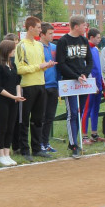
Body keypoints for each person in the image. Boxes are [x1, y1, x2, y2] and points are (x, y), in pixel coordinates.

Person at [14, 16, 56, 161]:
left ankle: (37, 148)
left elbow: (41, 64)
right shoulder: (21, 45)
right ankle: (25, 150)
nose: (40, 30)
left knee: (38, 119)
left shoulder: (39, 45)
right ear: (30, 28)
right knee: (24, 120)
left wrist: (46, 65)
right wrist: (39, 66)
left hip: (41, 85)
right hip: (27, 86)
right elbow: (20, 69)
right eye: (38, 27)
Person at [55, 15, 93, 159]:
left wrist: (84, 74)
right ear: (76, 26)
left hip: (82, 82)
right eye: (84, 25)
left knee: (80, 111)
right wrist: (75, 76)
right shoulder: (63, 41)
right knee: (72, 113)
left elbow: (89, 60)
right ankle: (73, 144)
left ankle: (74, 142)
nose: (86, 28)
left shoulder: (84, 40)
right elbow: (61, 63)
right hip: (70, 82)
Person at [0, 39, 25, 166]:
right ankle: (1, 155)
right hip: (2, 101)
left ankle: (7, 153)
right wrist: (12, 97)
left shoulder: (13, 65)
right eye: (12, 49)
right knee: (3, 127)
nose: (14, 51)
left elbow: (17, 81)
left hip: (13, 101)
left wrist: (18, 95)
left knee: (11, 127)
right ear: (6, 51)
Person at [40, 24, 60, 154]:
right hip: (42, 86)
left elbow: (59, 67)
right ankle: (39, 143)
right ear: (42, 34)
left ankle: (46, 142)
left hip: (54, 86)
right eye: (50, 34)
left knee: (50, 117)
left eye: (53, 33)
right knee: (40, 117)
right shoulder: (37, 48)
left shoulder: (54, 48)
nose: (53, 36)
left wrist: (59, 84)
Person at [81, 28, 103, 143]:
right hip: (90, 84)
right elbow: (87, 67)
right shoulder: (86, 50)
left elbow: (99, 68)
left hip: (98, 83)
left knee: (96, 109)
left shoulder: (96, 49)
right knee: (87, 109)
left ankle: (94, 134)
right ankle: (84, 135)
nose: (99, 39)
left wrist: (100, 82)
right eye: (98, 37)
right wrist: (91, 84)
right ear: (91, 37)